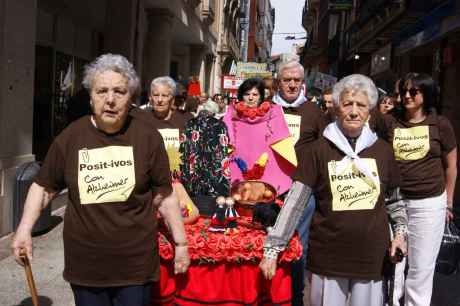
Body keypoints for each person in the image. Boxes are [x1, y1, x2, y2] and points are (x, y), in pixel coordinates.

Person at [11, 54, 190, 306]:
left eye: (119, 91)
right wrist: (24, 229)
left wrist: (180, 243)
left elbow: (165, 195)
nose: (110, 99)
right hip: (86, 265)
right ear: (91, 96)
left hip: (135, 264)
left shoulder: (148, 137)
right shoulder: (70, 137)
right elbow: (43, 187)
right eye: (101, 90)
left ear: (131, 97)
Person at [260, 74, 408, 306]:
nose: (353, 111)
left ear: (369, 110)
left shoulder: (383, 151)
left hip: (371, 257)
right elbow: (296, 202)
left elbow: (395, 202)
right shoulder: (318, 150)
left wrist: (400, 234)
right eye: (347, 104)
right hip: (328, 258)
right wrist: (272, 249)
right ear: (337, 108)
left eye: (361, 105)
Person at [382, 73, 457, 306]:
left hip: (429, 205)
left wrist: (449, 202)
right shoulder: (389, 121)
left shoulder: (440, 124)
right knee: (394, 263)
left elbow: (451, 165)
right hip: (395, 203)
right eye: (403, 91)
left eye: (413, 92)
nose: (406, 96)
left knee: (421, 267)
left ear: (426, 94)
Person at [272, 60, 326, 306]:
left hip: (303, 192)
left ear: (303, 83)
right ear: (278, 82)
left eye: (296, 80)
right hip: (269, 191)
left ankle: (294, 297)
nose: (292, 84)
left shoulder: (315, 112)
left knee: (298, 248)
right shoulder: (267, 109)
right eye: (287, 80)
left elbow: (325, 149)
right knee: (269, 244)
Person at [223, 78, 294, 195]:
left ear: (261, 96)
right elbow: (226, 140)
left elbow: (281, 139)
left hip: (267, 166)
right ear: (241, 96)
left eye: (255, 94)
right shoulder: (231, 113)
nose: (251, 98)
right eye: (247, 94)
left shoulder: (273, 113)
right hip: (238, 164)